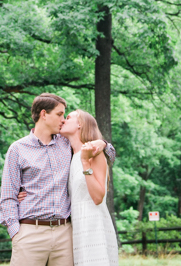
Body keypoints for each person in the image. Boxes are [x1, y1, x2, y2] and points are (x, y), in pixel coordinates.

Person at [0, 93, 115, 266]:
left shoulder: (66, 143)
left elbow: (108, 155)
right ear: (44, 114)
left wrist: (103, 143)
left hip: (64, 233)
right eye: (60, 114)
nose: (62, 119)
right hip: (30, 232)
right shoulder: (17, 149)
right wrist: (17, 232)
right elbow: (7, 197)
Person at [59, 109, 119, 265]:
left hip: (94, 225)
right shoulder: (68, 156)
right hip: (76, 226)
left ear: (80, 124)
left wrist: (86, 163)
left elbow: (99, 197)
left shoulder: (95, 154)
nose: (64, 120)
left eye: (68, 117)